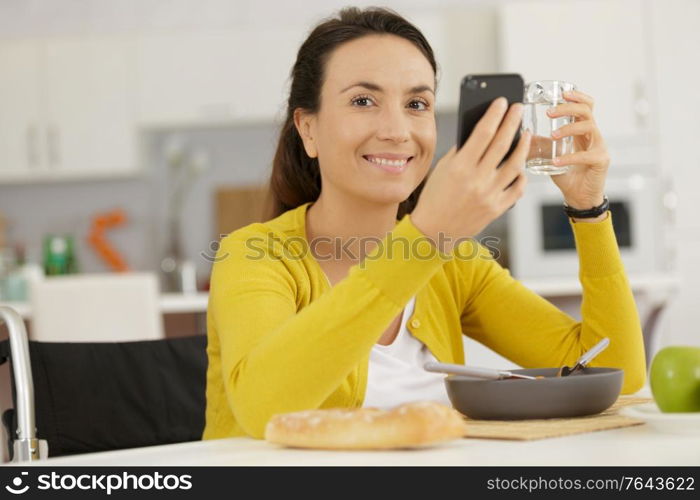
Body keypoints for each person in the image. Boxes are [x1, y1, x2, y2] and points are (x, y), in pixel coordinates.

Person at [202, 7, 646, 440]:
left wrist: (589, 209)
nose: (397, 130)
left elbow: (616, 375)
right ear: (308, 128)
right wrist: (426, 238)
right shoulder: (255, 256)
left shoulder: (454, 262)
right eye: (363, 101)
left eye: (417, 103)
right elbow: (266, 414)